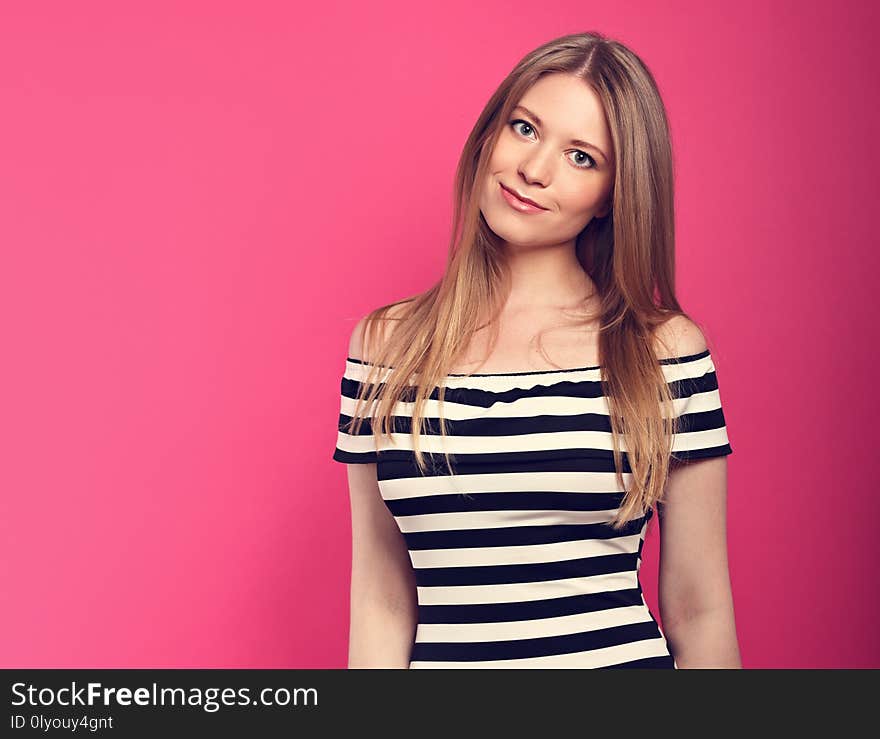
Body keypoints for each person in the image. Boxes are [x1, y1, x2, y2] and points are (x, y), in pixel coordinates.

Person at [332, 31, 741, 669]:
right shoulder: (387, 347)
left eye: (581, 157)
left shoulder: (661, 350)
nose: (534, 169)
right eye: (525, 129)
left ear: (613, 193)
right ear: (492, 133)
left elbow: (698, 606)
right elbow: (382, 596)